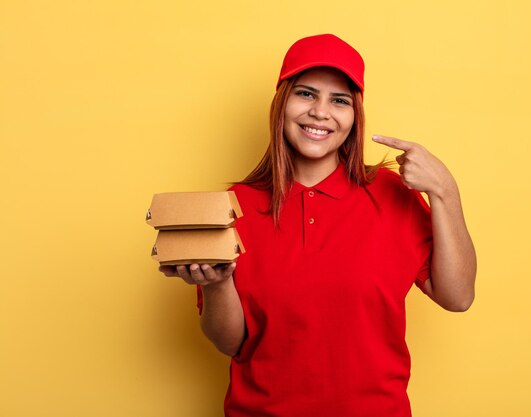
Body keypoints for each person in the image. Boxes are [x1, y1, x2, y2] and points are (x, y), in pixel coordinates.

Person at [159, 34, 476, 417]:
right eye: (306, 94)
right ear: (282, 103)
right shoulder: (234, 205)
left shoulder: (392, 196)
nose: (320, 112)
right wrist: (217, 284)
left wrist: (445, 190)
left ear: (355, 116)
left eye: (339, 100)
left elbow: (457, 298)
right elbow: (230, 343)